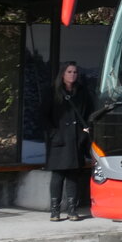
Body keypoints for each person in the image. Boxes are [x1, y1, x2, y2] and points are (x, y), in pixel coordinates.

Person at [40, 61, 94, 221]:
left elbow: (89, 114)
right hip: (59, 140)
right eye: (69, 72)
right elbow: (43, 115)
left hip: (76, 139)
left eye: (75, 72)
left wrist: (84, 134)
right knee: (58, 175)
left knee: (73, 176)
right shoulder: (52, 91)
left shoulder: (82, 92)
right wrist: (53, 134)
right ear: (62, 74)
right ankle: (55, 211)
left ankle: (72, 210)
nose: (72, 75)